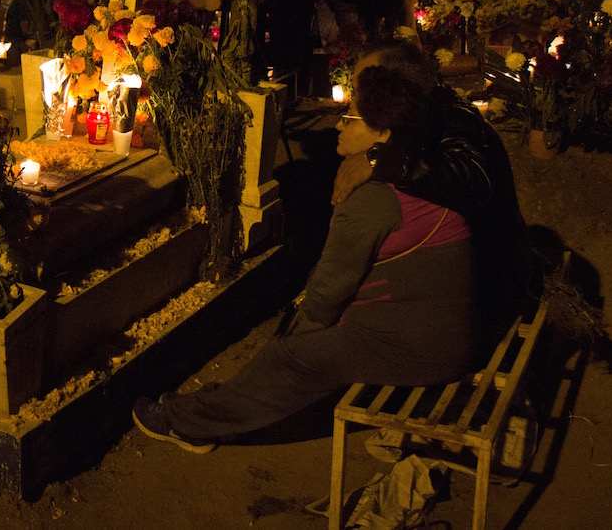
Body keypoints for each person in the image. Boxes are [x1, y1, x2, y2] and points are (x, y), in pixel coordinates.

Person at [132, 58, 478, 451]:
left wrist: (302, 337)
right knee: (301, 339)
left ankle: (188, 423)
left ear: (383, 132)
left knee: (292, 357)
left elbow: (331, 287)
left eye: (349, 118)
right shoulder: (418, 171)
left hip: (422, 346)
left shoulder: (373, 199)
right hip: (429, 325)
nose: (337, 125)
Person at [331, 40, 542, 341]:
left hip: (488, 287)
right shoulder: (418, 113)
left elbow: (472, 178)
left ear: (397, 83)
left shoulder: (452, 117)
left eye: (365, 87)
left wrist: (378, 159)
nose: (358, 100)